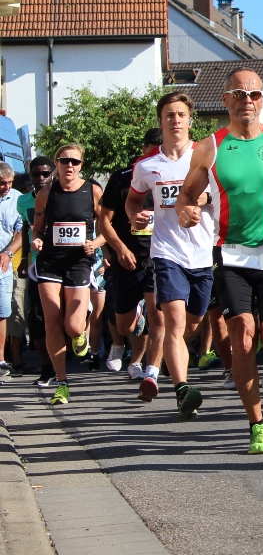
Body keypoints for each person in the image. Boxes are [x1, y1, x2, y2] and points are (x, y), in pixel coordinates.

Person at [177, 68, 263, 453]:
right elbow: (187, 195)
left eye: (254, 94)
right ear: (226, 101)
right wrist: (185, 211)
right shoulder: (209, 147)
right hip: (230, 254)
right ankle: (257, 423)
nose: (247, 101)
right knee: (240, 332)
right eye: (238, 94)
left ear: (261, 100)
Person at [128, 94, 215, 417]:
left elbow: (225, 195)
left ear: (190, 120)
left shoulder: (206, 157)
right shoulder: (147, 166)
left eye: (181, 115)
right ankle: (182, 389)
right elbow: (134, 201)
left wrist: (202, 199)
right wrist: (134, 215)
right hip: (166, 252)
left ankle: (170, 361)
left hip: (203, 253)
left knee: (192, 324)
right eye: (169, 115)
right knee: (173, 321)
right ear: (160, 121)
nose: (175, 120)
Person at [30, 144, 105, 405]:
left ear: (81, 165)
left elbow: (108, 226)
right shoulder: (46, 193)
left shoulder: (93, 190)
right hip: (50, 262)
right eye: (64, 161)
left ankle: (80, 332)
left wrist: (96, 244)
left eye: (74, 161)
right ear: (57, 164)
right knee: (52, 319)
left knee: (72, 325)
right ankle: (62, 383)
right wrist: (36, 241)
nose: (69, 165)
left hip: (78, 262)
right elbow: (37, 230)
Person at [98, 129, 161, 377]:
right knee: (124, 325)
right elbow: (103, 221)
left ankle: (151, 373)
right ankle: (136, 313)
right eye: (153, 147)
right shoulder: (122, 178)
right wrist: (120, 249)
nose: (157, 151)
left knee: (159, 319)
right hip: (127, 259)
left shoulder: (170, 176)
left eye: (161, 146)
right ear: (143, 148)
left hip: (157, 258)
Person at [18, 158, 53, 385]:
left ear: (53, 175)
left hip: (68, 264)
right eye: (36, 175)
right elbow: (24, 227)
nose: (40, 179)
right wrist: (23, 258)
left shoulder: (63, 195)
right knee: (37, 318)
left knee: (69, 319)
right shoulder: (23, 202)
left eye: (45, 174)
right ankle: (47, 367)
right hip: (38, 266)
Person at [0, 164, 22, 379]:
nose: (6, 187)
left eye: (9, 183)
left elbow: (20, 232)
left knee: (2, 313)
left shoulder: (17, 199)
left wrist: (8, 253)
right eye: (2, 183)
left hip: (3, 266)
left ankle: (1, 360)